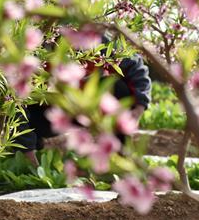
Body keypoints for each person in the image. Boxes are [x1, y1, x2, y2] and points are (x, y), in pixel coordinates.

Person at [15, 43, 153, 164]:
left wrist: (140, 106)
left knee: (119, 88)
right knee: (19, 109)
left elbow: (135, 67)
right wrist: (26, 149)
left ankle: (120, 156)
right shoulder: (32, 51)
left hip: (83, 105)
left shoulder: (96, 40)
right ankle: (22, 152)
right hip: (47, 112)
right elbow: (14, 103)